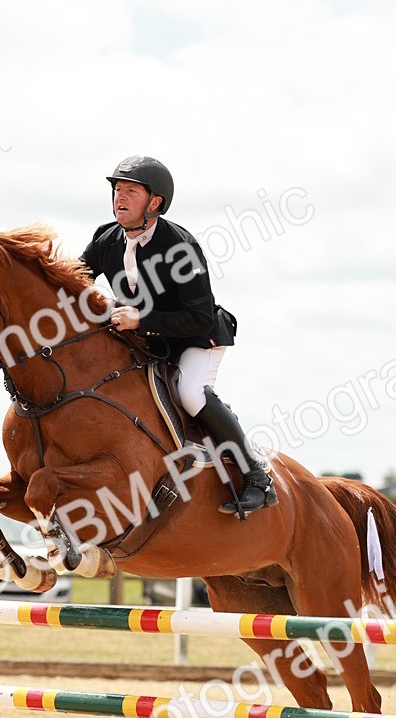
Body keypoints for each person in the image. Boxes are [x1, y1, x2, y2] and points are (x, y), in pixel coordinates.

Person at [81, 155, 277, 516]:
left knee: (190, 393)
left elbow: (199, 319)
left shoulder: (180, 247)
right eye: (117, 190)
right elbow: (76, 283)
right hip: (147, 343)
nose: (119, 198)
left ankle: (256, 477)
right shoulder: (105, 239)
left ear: (154, 203)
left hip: (197, 339)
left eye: (130, 191)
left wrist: (141, 319)